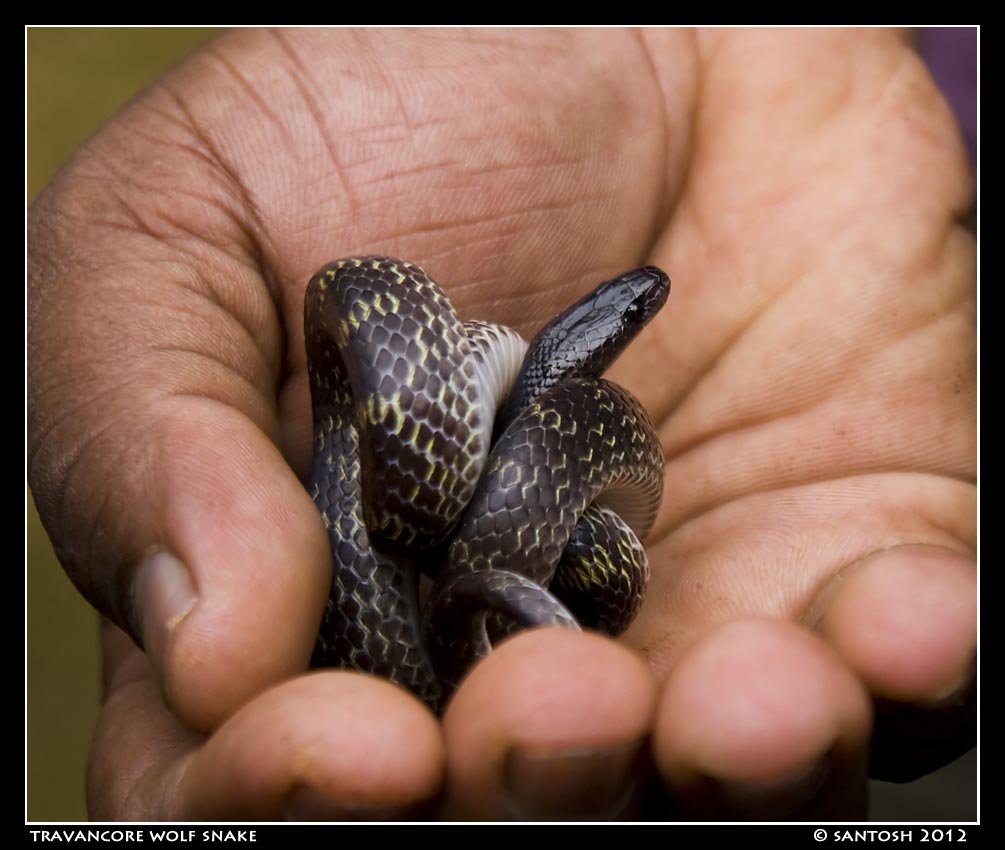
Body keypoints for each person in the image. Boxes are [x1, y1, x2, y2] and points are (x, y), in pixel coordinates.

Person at [27, 28, 976, 821]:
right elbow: (407, 493)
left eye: (633, 317)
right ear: (589, 345)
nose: (641, 311)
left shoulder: (554, 421)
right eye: (629, 316)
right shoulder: (502, 406)